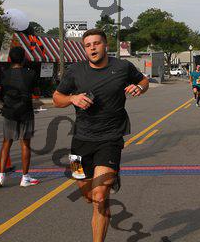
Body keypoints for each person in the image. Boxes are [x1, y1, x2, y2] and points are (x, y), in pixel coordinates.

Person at [53, 29, 149, 242]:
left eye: (96, 43)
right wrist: (72, 99)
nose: (92, 48)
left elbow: (144, 80)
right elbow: (56, 98)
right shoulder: (75, 71)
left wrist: (139, 88)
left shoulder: (122, 67)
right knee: (87, 195)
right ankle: (108, 181)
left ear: (105, 45)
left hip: (110, 139)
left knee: (99, 197)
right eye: (88, 45)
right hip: (80, 140)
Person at [0, 47, 40, 188]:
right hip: (25, 112)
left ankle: (1, 176)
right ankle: (25, 177)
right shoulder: (30, 74)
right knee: (25, 144)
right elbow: (36, 92)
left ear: (10, 59)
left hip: (9, 112)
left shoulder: (4, 74)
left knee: (6, 143)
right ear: (23, 58)